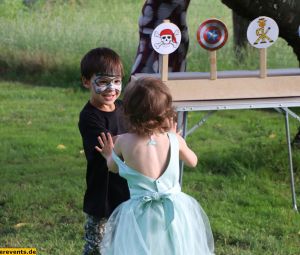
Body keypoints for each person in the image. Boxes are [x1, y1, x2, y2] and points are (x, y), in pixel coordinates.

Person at [95, 77, 215, 255]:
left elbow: (113, 167)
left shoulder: (123, 141)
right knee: (175, 245)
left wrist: (107, 155)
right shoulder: (174, 140)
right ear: (166, 112)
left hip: (140, 213)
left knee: (143, 247)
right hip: (175, 208)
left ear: (128, 112)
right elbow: (193, 161)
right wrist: (177, 140)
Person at [78, 47, 130, 255]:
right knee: (96, 246)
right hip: (103, 192)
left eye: (116, 81)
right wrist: (136, 140)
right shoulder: (89, 116)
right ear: (86, 82)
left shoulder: (124, 107)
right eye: (103, 82)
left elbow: (140, 129)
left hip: (127, 187)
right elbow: (107, 144)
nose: (111, 88)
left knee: (124, 241)